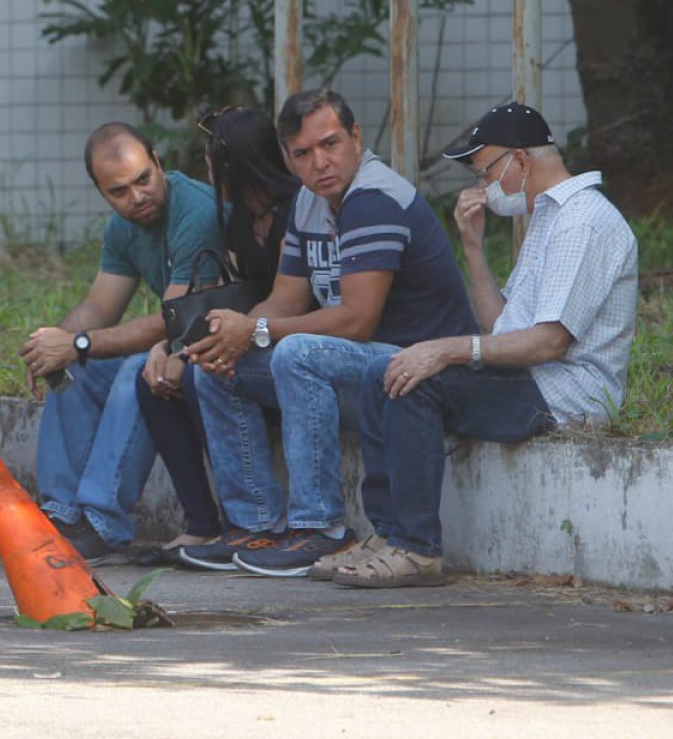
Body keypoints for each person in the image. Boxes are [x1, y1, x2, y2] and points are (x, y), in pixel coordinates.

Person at [333, 101, 638, 589]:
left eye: (485, 172)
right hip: (529, 377)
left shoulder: (583, 222)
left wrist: (446, 350)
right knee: (384, 372)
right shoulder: (547, 219)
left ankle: (416, 549)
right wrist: (472, 248)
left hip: (566, 394)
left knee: (417, 383)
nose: (482, 187)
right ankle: (388, 534)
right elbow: (504, 330)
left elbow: (549, 343)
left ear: (520, 161)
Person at [178, 88, 476, 578]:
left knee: (296, 352)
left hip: (414, 368)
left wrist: (254, 328)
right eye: (303, 153)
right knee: (218, 368)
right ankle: (255, 524)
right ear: (289, 160)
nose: (320, 162)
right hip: (359, 366)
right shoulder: (310, 204)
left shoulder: (374, 199)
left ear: (356, 138)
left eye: (331, 144)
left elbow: (357, 319)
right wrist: (233, 336)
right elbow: (286, 300)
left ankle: (321, 529)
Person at [20, 123, 223, 562]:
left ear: (158, 161)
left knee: (135, 369)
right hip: (179, 348)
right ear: (101, 191)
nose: (137, 197)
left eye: (143, 180)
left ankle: (101, 521)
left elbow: (175, 320)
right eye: (119, 191)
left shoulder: (196, 212)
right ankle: (61, 512)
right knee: (69, 368)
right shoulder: (122, 229)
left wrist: (76, 343)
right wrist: (52, 347)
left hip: (217, 346)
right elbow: (97, 308)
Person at [132, 107, 299, 565]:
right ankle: (203, 526)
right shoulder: (237, 219)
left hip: (290, 337)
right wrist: (168, 346)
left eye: (211, 162)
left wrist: (211, 348)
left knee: (203, 374)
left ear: (230, 168)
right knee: (152, 380)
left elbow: (291, 303)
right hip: (249, 331)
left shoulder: (294, 214)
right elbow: (223, 295)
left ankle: (255, 524)